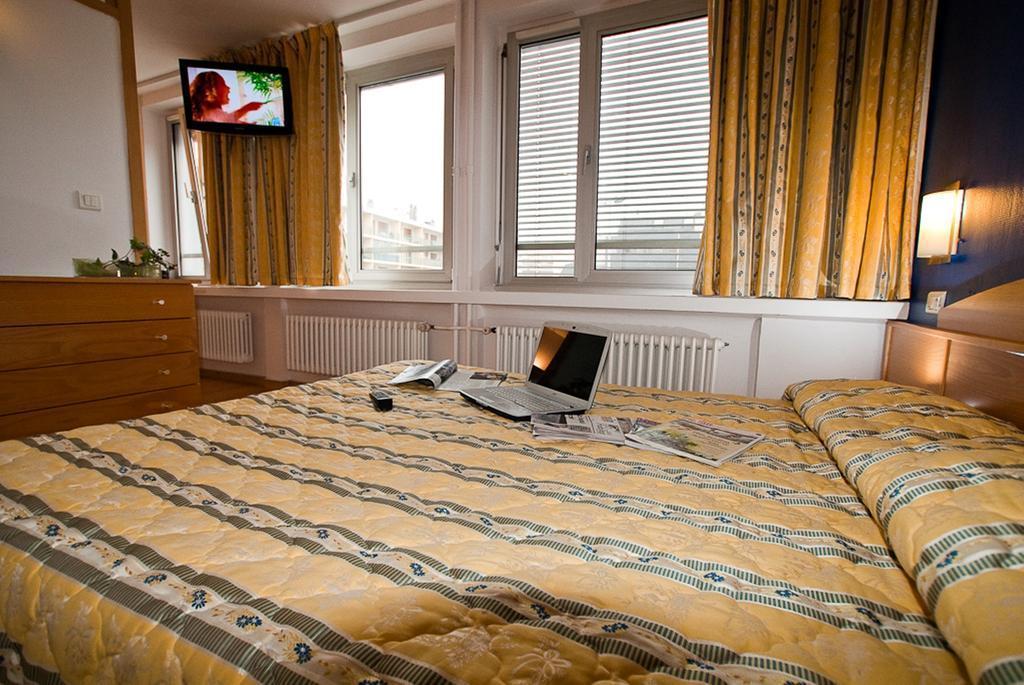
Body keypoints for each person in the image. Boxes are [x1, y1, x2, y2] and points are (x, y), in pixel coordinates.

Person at [189, 71, 262, 123]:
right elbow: (228, 119)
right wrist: (248, 107)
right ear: (209, 91)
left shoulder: (206, 114)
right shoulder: (210, 112)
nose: (228, 88)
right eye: (223, 84)